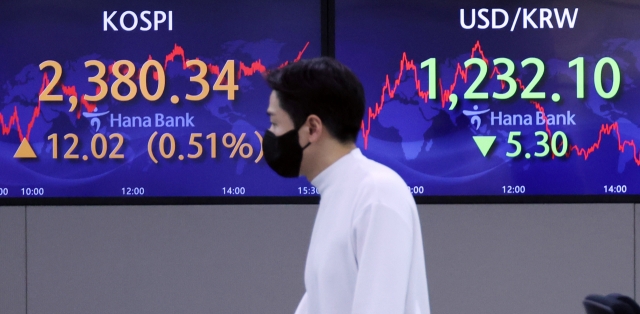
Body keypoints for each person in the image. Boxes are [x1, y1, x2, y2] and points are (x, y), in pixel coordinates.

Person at [262, 57, 431, 314]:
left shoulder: (376, 193)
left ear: (312, 128)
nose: (270, 134)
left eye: (275, 123)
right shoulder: (336, 191)